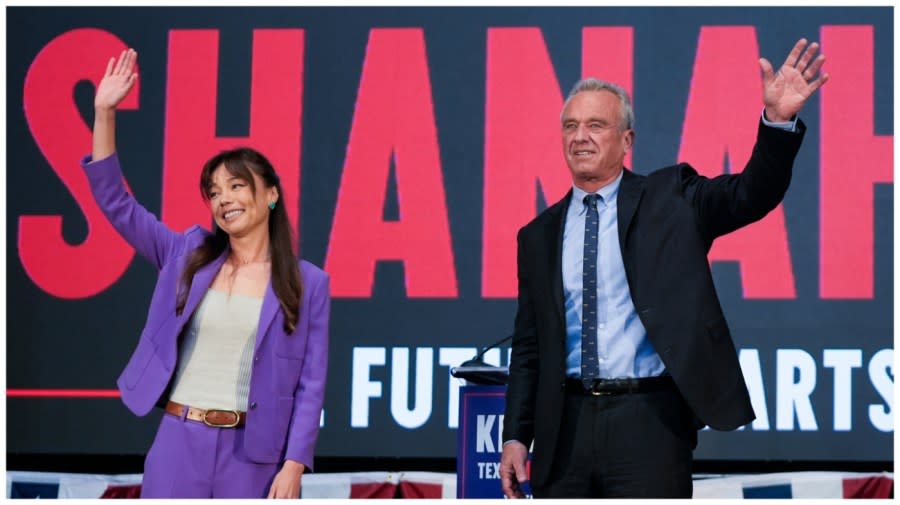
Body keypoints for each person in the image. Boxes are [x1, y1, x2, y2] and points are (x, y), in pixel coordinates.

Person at [499, 38, 828, 498]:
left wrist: (776, 123)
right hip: (563, 430)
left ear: (626, 140)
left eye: (596, 125)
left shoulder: (671, 198)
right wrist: (516, 433)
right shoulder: (537, 235)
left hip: (648, 423)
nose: (580, 137)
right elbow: (529, 348)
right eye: (571, 126)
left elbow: (750, 194)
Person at [83, 49, 330, 498]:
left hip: (254, 455)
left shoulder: (308, 283)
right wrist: (104, 112)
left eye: (237, 185)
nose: (224, 199)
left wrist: (294, 463)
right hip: (180, 440)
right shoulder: (186, 254)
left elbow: (312, 383)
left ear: (270, 195)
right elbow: (117, 205)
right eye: (214, 191)